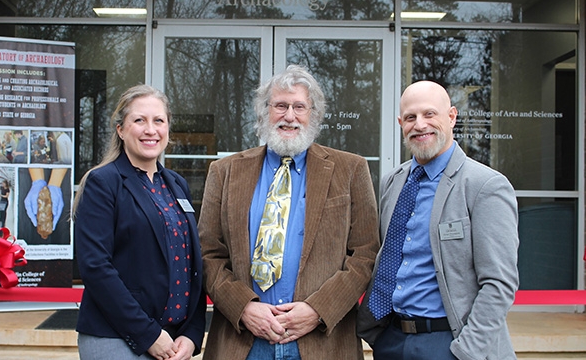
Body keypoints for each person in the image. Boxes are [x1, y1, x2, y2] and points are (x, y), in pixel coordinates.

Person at [199, 64, 380, 360]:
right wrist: (243, 307)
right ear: (264, 112)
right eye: (280, 106)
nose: (289, 116)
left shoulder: (351, 170)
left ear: (314, 115)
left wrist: (318, 310)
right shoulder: (224, 172)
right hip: (243, 342)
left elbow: (365, 254)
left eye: (299, 107)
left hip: (322, 342)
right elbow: (208, 254)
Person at [357, 80, 519, 360]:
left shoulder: (485, 186)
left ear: (452, 116)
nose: (420, 125)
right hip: (392, 340)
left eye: (429, 114)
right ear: (401, 123)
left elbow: (499, 283)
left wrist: (465, 352)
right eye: (410, 117)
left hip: (449, 343)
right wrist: (380, 337)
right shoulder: (393, 182)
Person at [73, 84, 206, 360]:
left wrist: (192, 334)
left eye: (158, 121)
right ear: (121, 130)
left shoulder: (177, 185)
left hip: (173, 341)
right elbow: (95, 267)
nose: (150, 130)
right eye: (139, 121)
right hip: (116, 338)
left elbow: (192, 263)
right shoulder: (103, 183)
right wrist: (148, 334)